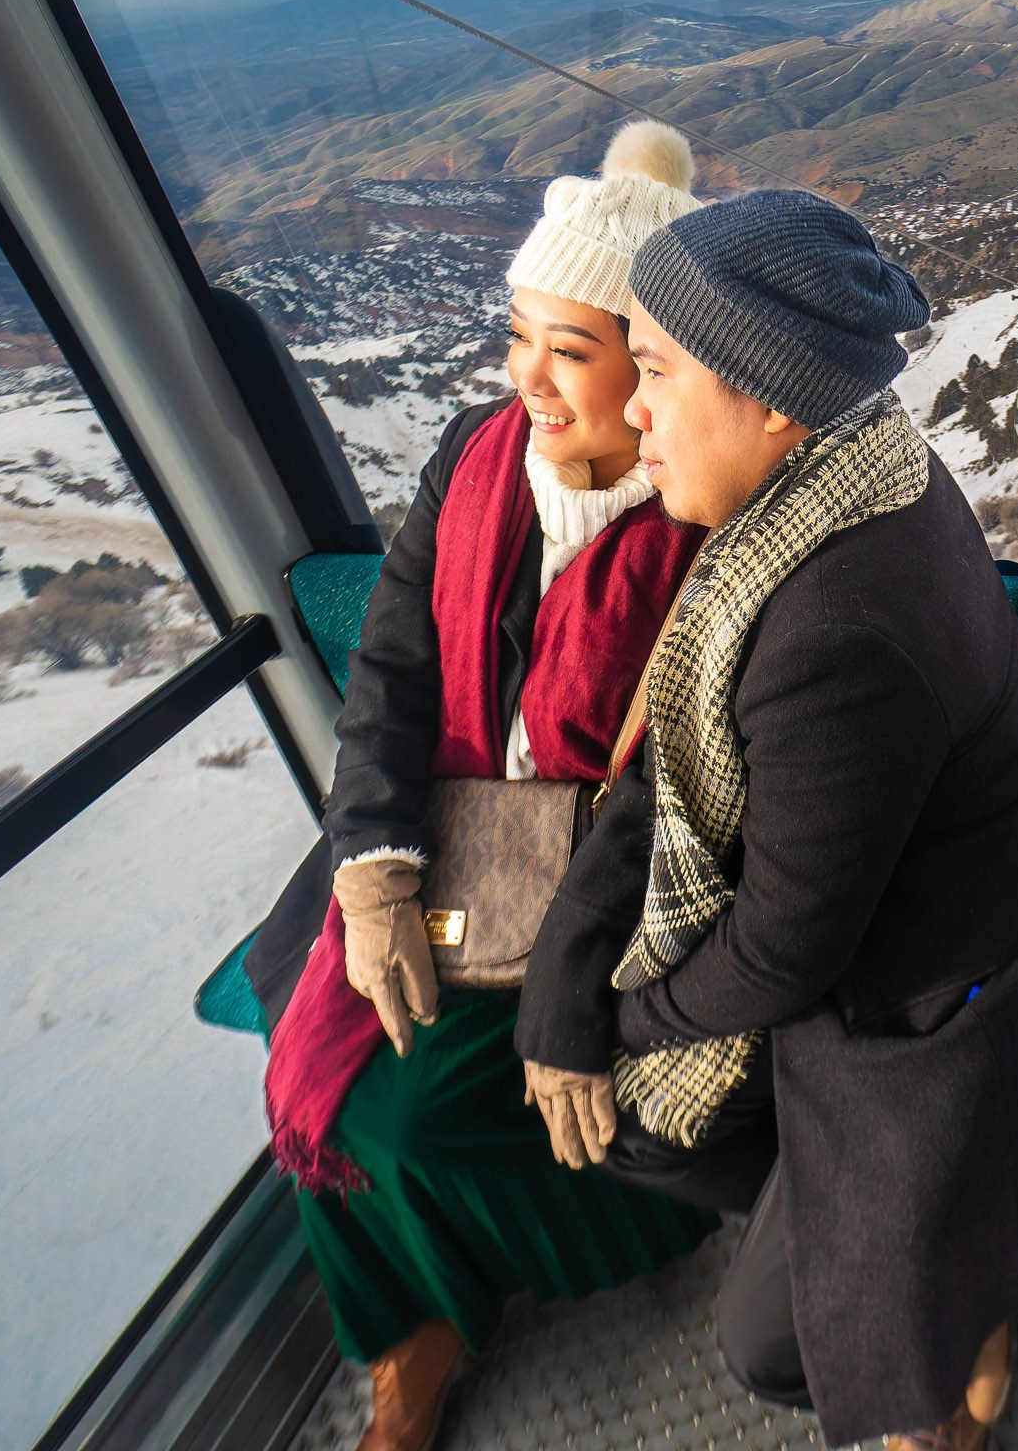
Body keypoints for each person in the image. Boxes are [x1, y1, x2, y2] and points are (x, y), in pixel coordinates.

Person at [513, 189, 1018, 1451]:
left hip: (946, 1012)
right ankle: (914, 1259)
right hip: (898, 959)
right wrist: (561, 985)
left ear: (770, 396)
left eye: (653, 371)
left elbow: (780, 953)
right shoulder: (813, 498)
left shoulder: (840, 623)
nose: (631, 409)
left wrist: (605, 1015)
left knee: (775, 1340)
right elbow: (659, 778)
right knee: (630, 1123)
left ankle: (945, 1301)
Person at [240, 120, 714, 1451]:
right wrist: (376, 859)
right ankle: (408, 1335)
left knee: (412, 1121)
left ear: (655, 364)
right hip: (441, 841)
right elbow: (394, 666)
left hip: (611, 881)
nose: (533, 382)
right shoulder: (473, 456)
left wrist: (573, 944)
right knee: (329, 1080)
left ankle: (568, 1249)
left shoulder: (701, 509)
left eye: (573, 350)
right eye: (520, 338)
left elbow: (686, 765)